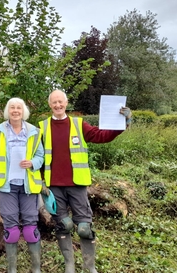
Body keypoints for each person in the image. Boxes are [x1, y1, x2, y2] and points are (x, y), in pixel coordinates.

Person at [39, 90, 131, 273]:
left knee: (83, 228)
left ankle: (90, 266)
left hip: (77, 185)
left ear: (66, 103)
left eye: (61, 102)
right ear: (50, 104)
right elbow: (36, 156)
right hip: (53, 186)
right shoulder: (42, 127)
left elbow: (101, 136)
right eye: (54, 102)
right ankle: (69, 266)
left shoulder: (78, 124)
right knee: (64, 226)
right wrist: (39, 181)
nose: (58, 105)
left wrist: (122, 123)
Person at [0, 97, 45, 273]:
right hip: (6, 186)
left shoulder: (34, 131)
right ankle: (12, 269)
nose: (15, 111)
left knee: (30, 229)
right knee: (11, 230)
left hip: (28, 186)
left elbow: (41, 156)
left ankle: (36, 269)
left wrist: (33, 163)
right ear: (7, 111)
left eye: (18, 108)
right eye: (12, 107)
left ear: (23, 111)